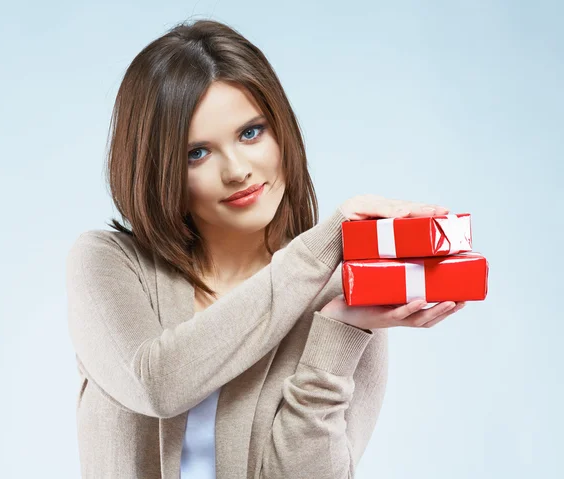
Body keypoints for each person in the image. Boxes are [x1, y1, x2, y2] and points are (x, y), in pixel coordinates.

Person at [65, 18, 466, 479]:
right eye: (197, 152)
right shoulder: (107, 263)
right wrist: (322, 246)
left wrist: (338, 332)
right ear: (155, 168)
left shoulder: (343, 291)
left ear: (281, 130)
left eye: (251, 132)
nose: (237, 170)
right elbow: (156, 382)